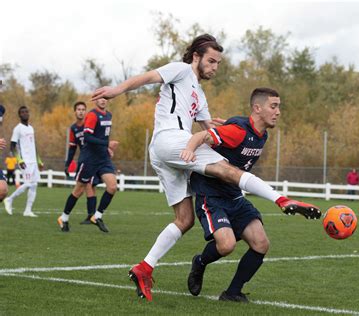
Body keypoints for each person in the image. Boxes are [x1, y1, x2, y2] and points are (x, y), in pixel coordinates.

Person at [91, 34, 319, 301]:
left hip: (165, 151)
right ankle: (281, 199)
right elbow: (148, 78)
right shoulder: (180, 69)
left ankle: (144, 268)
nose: (214, 67)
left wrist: (220, 126)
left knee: (184, 220)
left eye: (218, 63)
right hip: (171, 139)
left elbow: (208, 128)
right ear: (196, 56)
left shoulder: (199, 93)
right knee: (226, 170)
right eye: (211, 60)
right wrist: (118, 90)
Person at [184, 88, 321, 302]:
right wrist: (189, 149)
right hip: (211, 196)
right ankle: (200, 263)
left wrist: (228, 123)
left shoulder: (261, 134)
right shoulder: (238, 130)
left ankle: (232, 293)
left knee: (261, 243)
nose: (278, 112)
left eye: (279, 106)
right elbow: (202, 135)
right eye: (273, 106)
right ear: (257, 108)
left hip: (235, 196)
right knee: (227, 245)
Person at [57, 98, 119, 233]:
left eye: (105, 98)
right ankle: (64, 217)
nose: (103, 101)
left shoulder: (108, 115)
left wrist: (107, 148)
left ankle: (96, 216)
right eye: (100, 98)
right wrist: (107, 144)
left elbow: (102, 136)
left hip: (103, 158)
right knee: (79, 190)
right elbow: (88, 137)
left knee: (112, 186)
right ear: (95, 100)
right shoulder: (92, 115)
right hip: (89, 159)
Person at [62, 101, 102, 226]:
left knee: (90, 187)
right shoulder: (74, 128)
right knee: (85, 187)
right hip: (85, 160)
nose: (81, 111)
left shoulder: (89, 124)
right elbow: (72, 147)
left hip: (95, 160)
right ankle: (90, 216)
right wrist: (67, 163)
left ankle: (90, 215)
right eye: (78, 109)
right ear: (75, 112)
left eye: (83, 109)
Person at [3, 106, 43, 217]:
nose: (25, 113)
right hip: (25, 161)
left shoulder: (31, 128)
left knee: (34, 185)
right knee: (28, 184)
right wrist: (19, 160)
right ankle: (9, 199)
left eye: (26, 112)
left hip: (34, 162)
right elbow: (12, 146)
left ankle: (27, 211)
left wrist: (39, 161)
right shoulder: (18, 129)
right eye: (22, 112)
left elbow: (34, 146)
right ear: (19, 115)